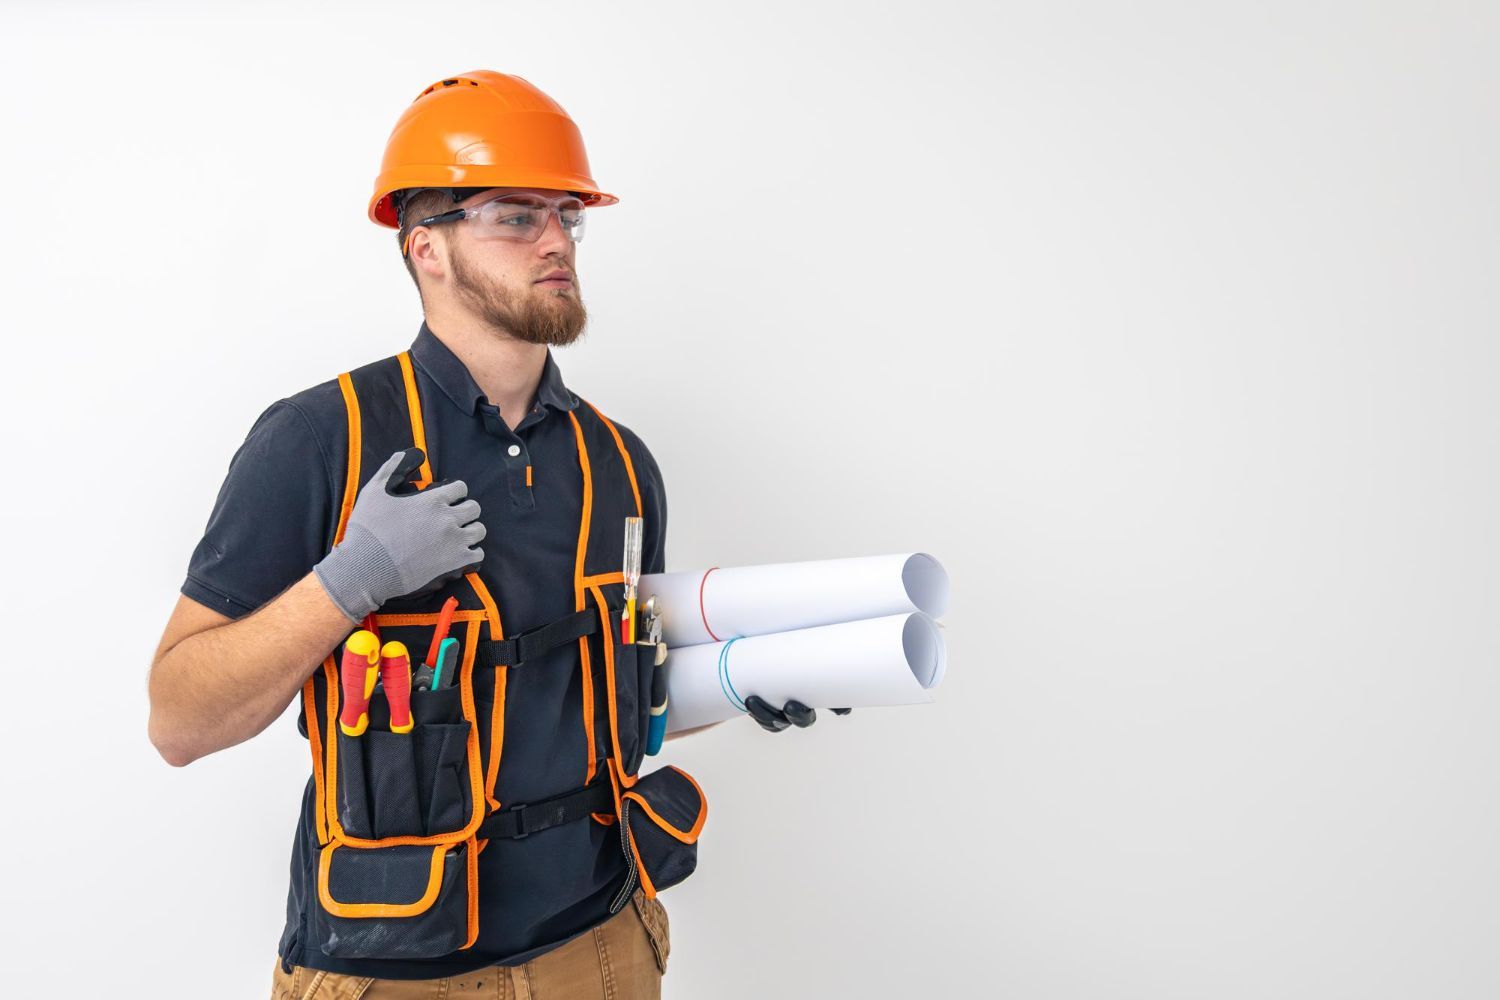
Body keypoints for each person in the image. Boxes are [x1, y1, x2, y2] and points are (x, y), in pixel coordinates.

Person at [146, 71, 845, 999]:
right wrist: (350, 580)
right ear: (426, 245)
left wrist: (746, 681)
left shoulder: (619, 463)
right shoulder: (320, 438)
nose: (556, 240)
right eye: (516, 216)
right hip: (389, 971)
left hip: (601, 946)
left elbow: (618, 698)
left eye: (567, 214)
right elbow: (178, 721)